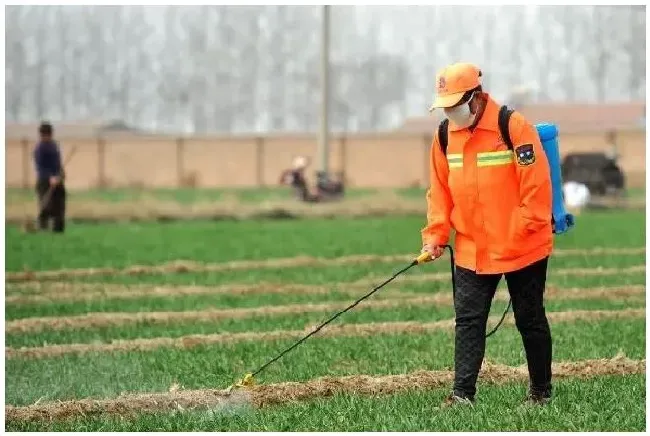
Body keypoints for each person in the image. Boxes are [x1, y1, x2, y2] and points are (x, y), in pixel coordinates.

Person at [421, 63, 554, 406]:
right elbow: (439, 192)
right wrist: (435, 234)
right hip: (471, 248)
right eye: (445, 106)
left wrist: (518, 233)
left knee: (530, 318)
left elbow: (536, 190)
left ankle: (540, 392)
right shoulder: (443, 137)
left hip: (521, 245)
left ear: (476, 97)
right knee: (468, 321)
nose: (450, 112)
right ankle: (462, 394)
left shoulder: (513, 127)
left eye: (455, 104)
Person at [33, 121, 66, 233]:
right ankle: (42, 229)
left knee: (60, 206)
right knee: (46, 206)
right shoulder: (39, 149)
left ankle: (58, 231)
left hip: (57, 180)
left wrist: (61, 174)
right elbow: (40, 166)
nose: (47, 137)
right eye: (45, 135)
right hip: (44, 181)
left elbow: (57, 163)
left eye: (49, 134)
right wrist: (50, 177)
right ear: (41, 135)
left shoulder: (54, 146)